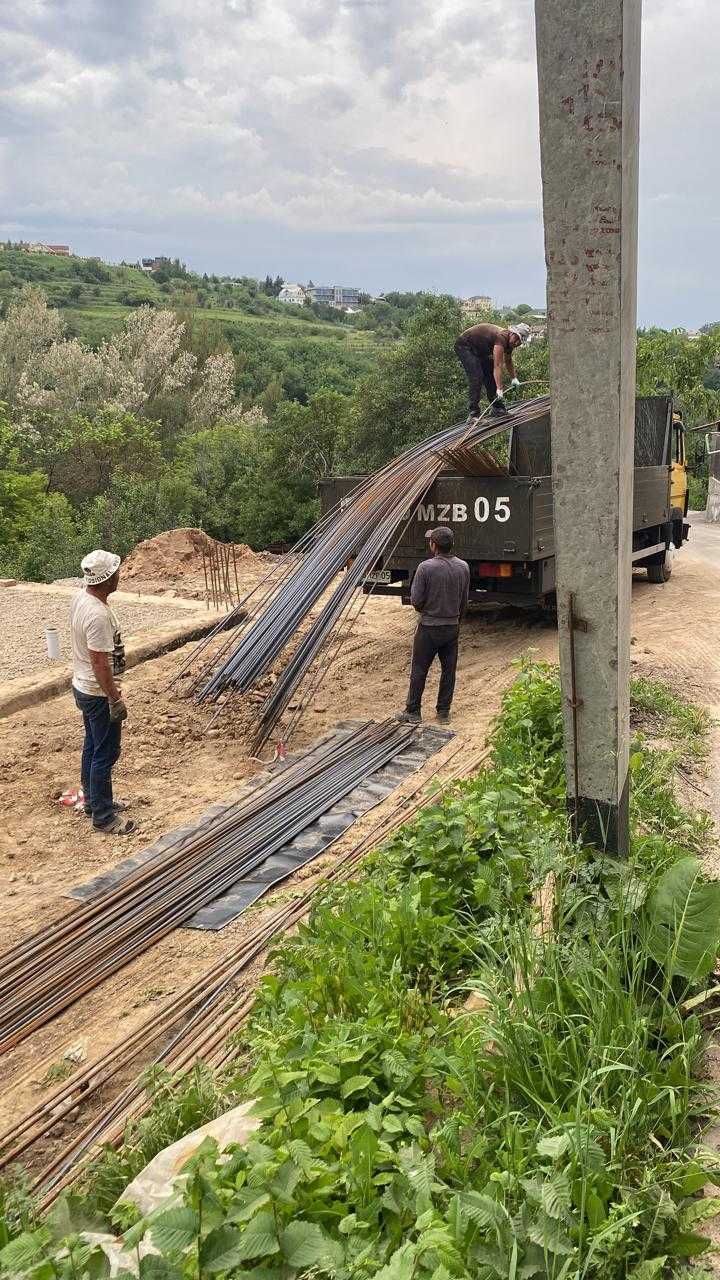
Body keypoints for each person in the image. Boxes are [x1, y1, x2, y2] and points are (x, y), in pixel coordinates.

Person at [71, 550, 135, 836]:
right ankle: (103, 816)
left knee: (93, 746)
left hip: (83, 686)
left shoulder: (82, 598)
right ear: (108, 578)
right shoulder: (97, 615)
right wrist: (114, 697)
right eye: (116, 571)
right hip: (97, 693)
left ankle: (93, 801)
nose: (120, 575)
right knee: (106, 752)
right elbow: (100, 663)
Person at [397, 526, 470, 726]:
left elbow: (416, 600)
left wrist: (427, 611)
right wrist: (455, 619)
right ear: (451, 544)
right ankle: (443, 712)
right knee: (449, 670)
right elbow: (464, 601)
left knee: (419, 669)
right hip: (451, 627)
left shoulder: (425, 568)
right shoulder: (463, 567)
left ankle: (413, 711)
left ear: (433, 545)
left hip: (429, 628)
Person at [454, 321, 530, 422]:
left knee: (489, 375)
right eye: (516, 339)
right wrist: (499, 388)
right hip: (465, 346)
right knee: (477, 376)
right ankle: (473, 414)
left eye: (519, 342)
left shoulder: (510, 342)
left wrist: (514, 378)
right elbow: (497, 365)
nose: (516, 343)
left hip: (480, 350)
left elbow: (508, 360)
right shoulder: (502, 337)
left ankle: (497, 409)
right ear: (512, 333)